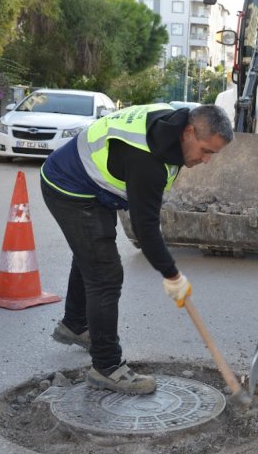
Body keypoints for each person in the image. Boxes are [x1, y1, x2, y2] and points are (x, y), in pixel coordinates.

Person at [41, 103, 233, 393]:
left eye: (212, 154)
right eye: (206, 151)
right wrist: (172, 275)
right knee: (105, 274)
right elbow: (145, 229)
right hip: (69, 187)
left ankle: (75, 324)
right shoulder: (147, 161)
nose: (206, 160)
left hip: (93, 184)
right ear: (189, 131)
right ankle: (107, 368)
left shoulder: (174, 126)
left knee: (91, 256)